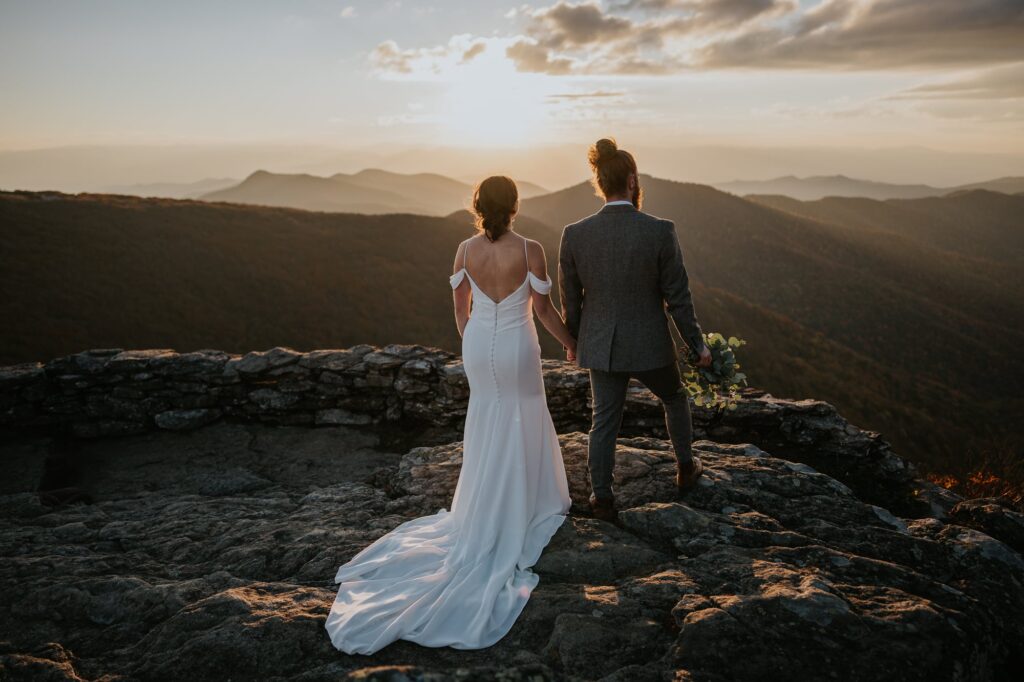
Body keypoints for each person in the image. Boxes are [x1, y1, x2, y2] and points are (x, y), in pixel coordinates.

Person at [325, 175, 574, 654]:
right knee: (522, 416)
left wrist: (472, 337)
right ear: (515, 206)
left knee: (486, 421)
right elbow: (542, 310)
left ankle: (484, 508)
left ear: (480, 205)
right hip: (519, 348)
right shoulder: (531, 250)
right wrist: (572, 344)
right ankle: (526, 504)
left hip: (478, 346)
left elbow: (460, 306)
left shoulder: (463, 250)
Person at [558, 137, 712, 523]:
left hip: (601, 346)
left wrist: (574, 342)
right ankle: (685, 467)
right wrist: (697, 345)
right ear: (632, 181)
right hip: (650, 345)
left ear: (599, 183)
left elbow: (571, 301)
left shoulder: (574, 234)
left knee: (603, 422)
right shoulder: (660, 231)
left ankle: (602, 498)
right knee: (674, 398)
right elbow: (678, 298)